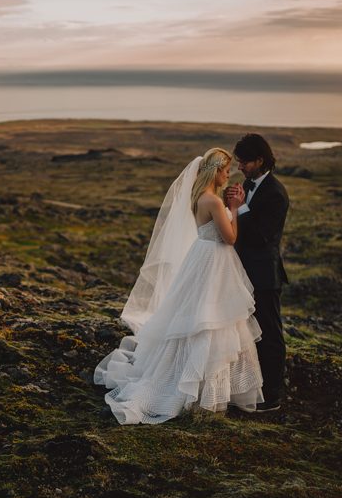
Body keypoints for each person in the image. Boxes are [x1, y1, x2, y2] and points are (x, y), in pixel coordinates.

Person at [94, 148, 264, 424]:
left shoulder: (199, 197)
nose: (227, 176)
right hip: (214, 263)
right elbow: (230, 238)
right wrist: (234, 207)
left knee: (196, 316)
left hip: (200, 258)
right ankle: (198, 388)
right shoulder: (215, 202)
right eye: (225, 171)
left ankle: (192, 378)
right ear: (215, 172)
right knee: (210, 320)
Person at [224, 133, 289, 413]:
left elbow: (262, 236)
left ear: (260, 160)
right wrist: (232, 208)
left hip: (264, 276)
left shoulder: (275, 193)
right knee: (246, 334)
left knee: (270, 335)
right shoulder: (249, 184)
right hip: (242, 272)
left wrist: (242, 208)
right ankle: (249, 388)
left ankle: (272, 397)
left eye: (245, 162)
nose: (240, 167)